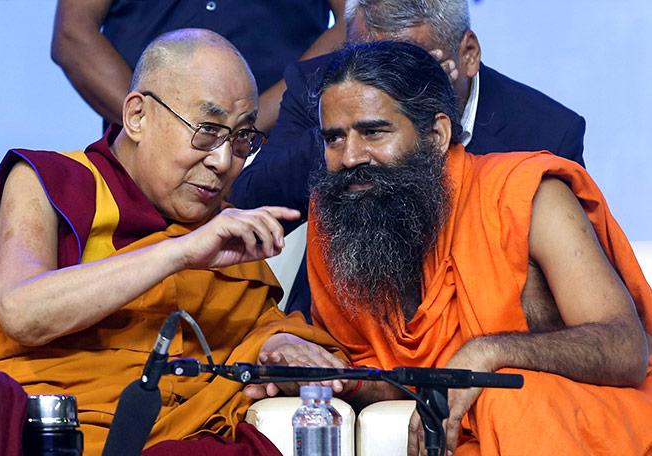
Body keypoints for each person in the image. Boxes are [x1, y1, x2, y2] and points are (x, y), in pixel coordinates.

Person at [260, 41, 652, 455]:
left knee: (506, 399)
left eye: (373, 131)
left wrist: (486, 354)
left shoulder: (527, 198)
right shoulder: (340, 216)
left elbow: (626, 348)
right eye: (334, 138)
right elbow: (391, 375)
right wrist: (317, 372)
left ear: (436, 135)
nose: (351, 156)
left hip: (577, 428)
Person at [0, 29, 346, 455]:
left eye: (241, 139)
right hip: (47, 432)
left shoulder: (220, 231)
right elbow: (23, 312)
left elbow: (250, 328)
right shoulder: (52, 183)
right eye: (207, 132)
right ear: (137, 116)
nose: (223, 161)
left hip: (169, 440)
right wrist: (180, 253)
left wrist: (276, 343)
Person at [229, 0, 587, 319]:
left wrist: (418, 119)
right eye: (366, 60)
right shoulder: (321, 86)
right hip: (339, 330)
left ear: (468, 54)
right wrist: (341, 128)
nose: (381, 85)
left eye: (406, 67)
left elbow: (568, 285)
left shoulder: (545, 132)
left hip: (481, 329)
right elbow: (250, 201)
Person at [51, 0, 346, 132]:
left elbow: (356, 21)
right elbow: (73, 34)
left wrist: (246, 128)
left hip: (272, 154)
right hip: (140, 163)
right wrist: (158, 130)